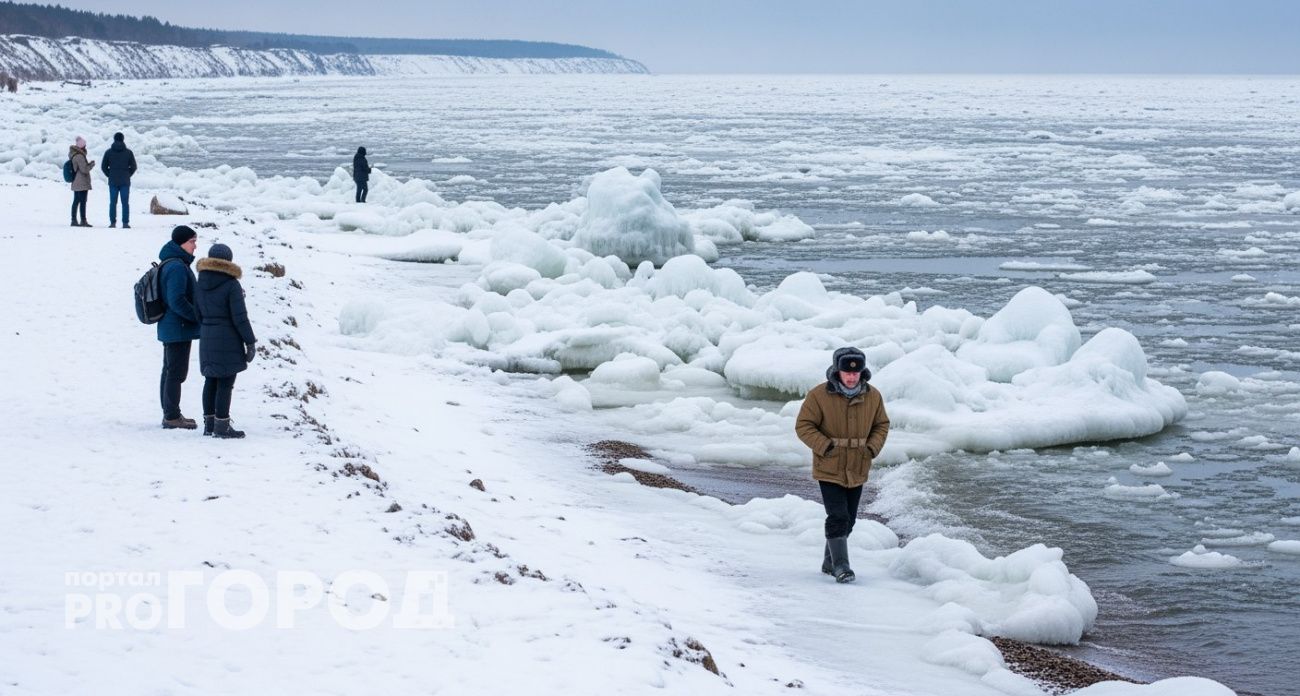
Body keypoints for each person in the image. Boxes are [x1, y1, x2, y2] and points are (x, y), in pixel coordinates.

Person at [795, 347, 890, 583]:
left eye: (855, 373)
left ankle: (829, 562)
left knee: (850, 519)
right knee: (837, 515)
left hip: (858, 465)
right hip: (829, 466)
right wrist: (826, 447)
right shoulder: (819, 395)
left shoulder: (873, 395)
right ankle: (841, 566)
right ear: (837, 370)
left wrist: (871, 449)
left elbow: (881, 425)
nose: (851, 377)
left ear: (862, 372)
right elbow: (804, 425)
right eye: (847, 372)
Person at [194, 243, 257, 439]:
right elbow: (240, 317)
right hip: (228, 337)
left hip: (206, 336)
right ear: (228, 261)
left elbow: (197, 312)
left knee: (210, 380)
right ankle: (222, 426)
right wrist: (250, 341)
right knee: (225, 382)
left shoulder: (200, 282)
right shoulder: (231, 284)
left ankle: (209, 424)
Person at [157, 225, 202, 429]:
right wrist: (196, 316)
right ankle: (172, 416)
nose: (195, 246)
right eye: (192, 241)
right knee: (176, 372)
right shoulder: (177, 266)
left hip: (172, 326)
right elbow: (176, 300)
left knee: (170, 371)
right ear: (181, 243)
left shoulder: (173, 262)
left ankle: (171, 413)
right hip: (178, 326)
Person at [101, 132, 138, 228]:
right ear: (123, 139)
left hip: (113, 180)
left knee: (113, 203)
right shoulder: (128, 152)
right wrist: (128, 174)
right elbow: (134, 166)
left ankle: (112, 222)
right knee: (125, 203)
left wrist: (109, 174)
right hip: (125, 181)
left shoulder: (108, 152)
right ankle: (125, 223)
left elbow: (103, 166)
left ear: (114, 139)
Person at [69, 136, 95, 227]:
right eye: (84, 145)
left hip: (76, 181)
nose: (85, 147)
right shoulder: (79, 156)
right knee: (82, 202)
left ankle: (73, 220)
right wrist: (91, 165)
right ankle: (83, 221)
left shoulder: (74, 154)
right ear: (81, 146)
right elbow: (84, 169)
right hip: (81, 182)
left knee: (76, 201)